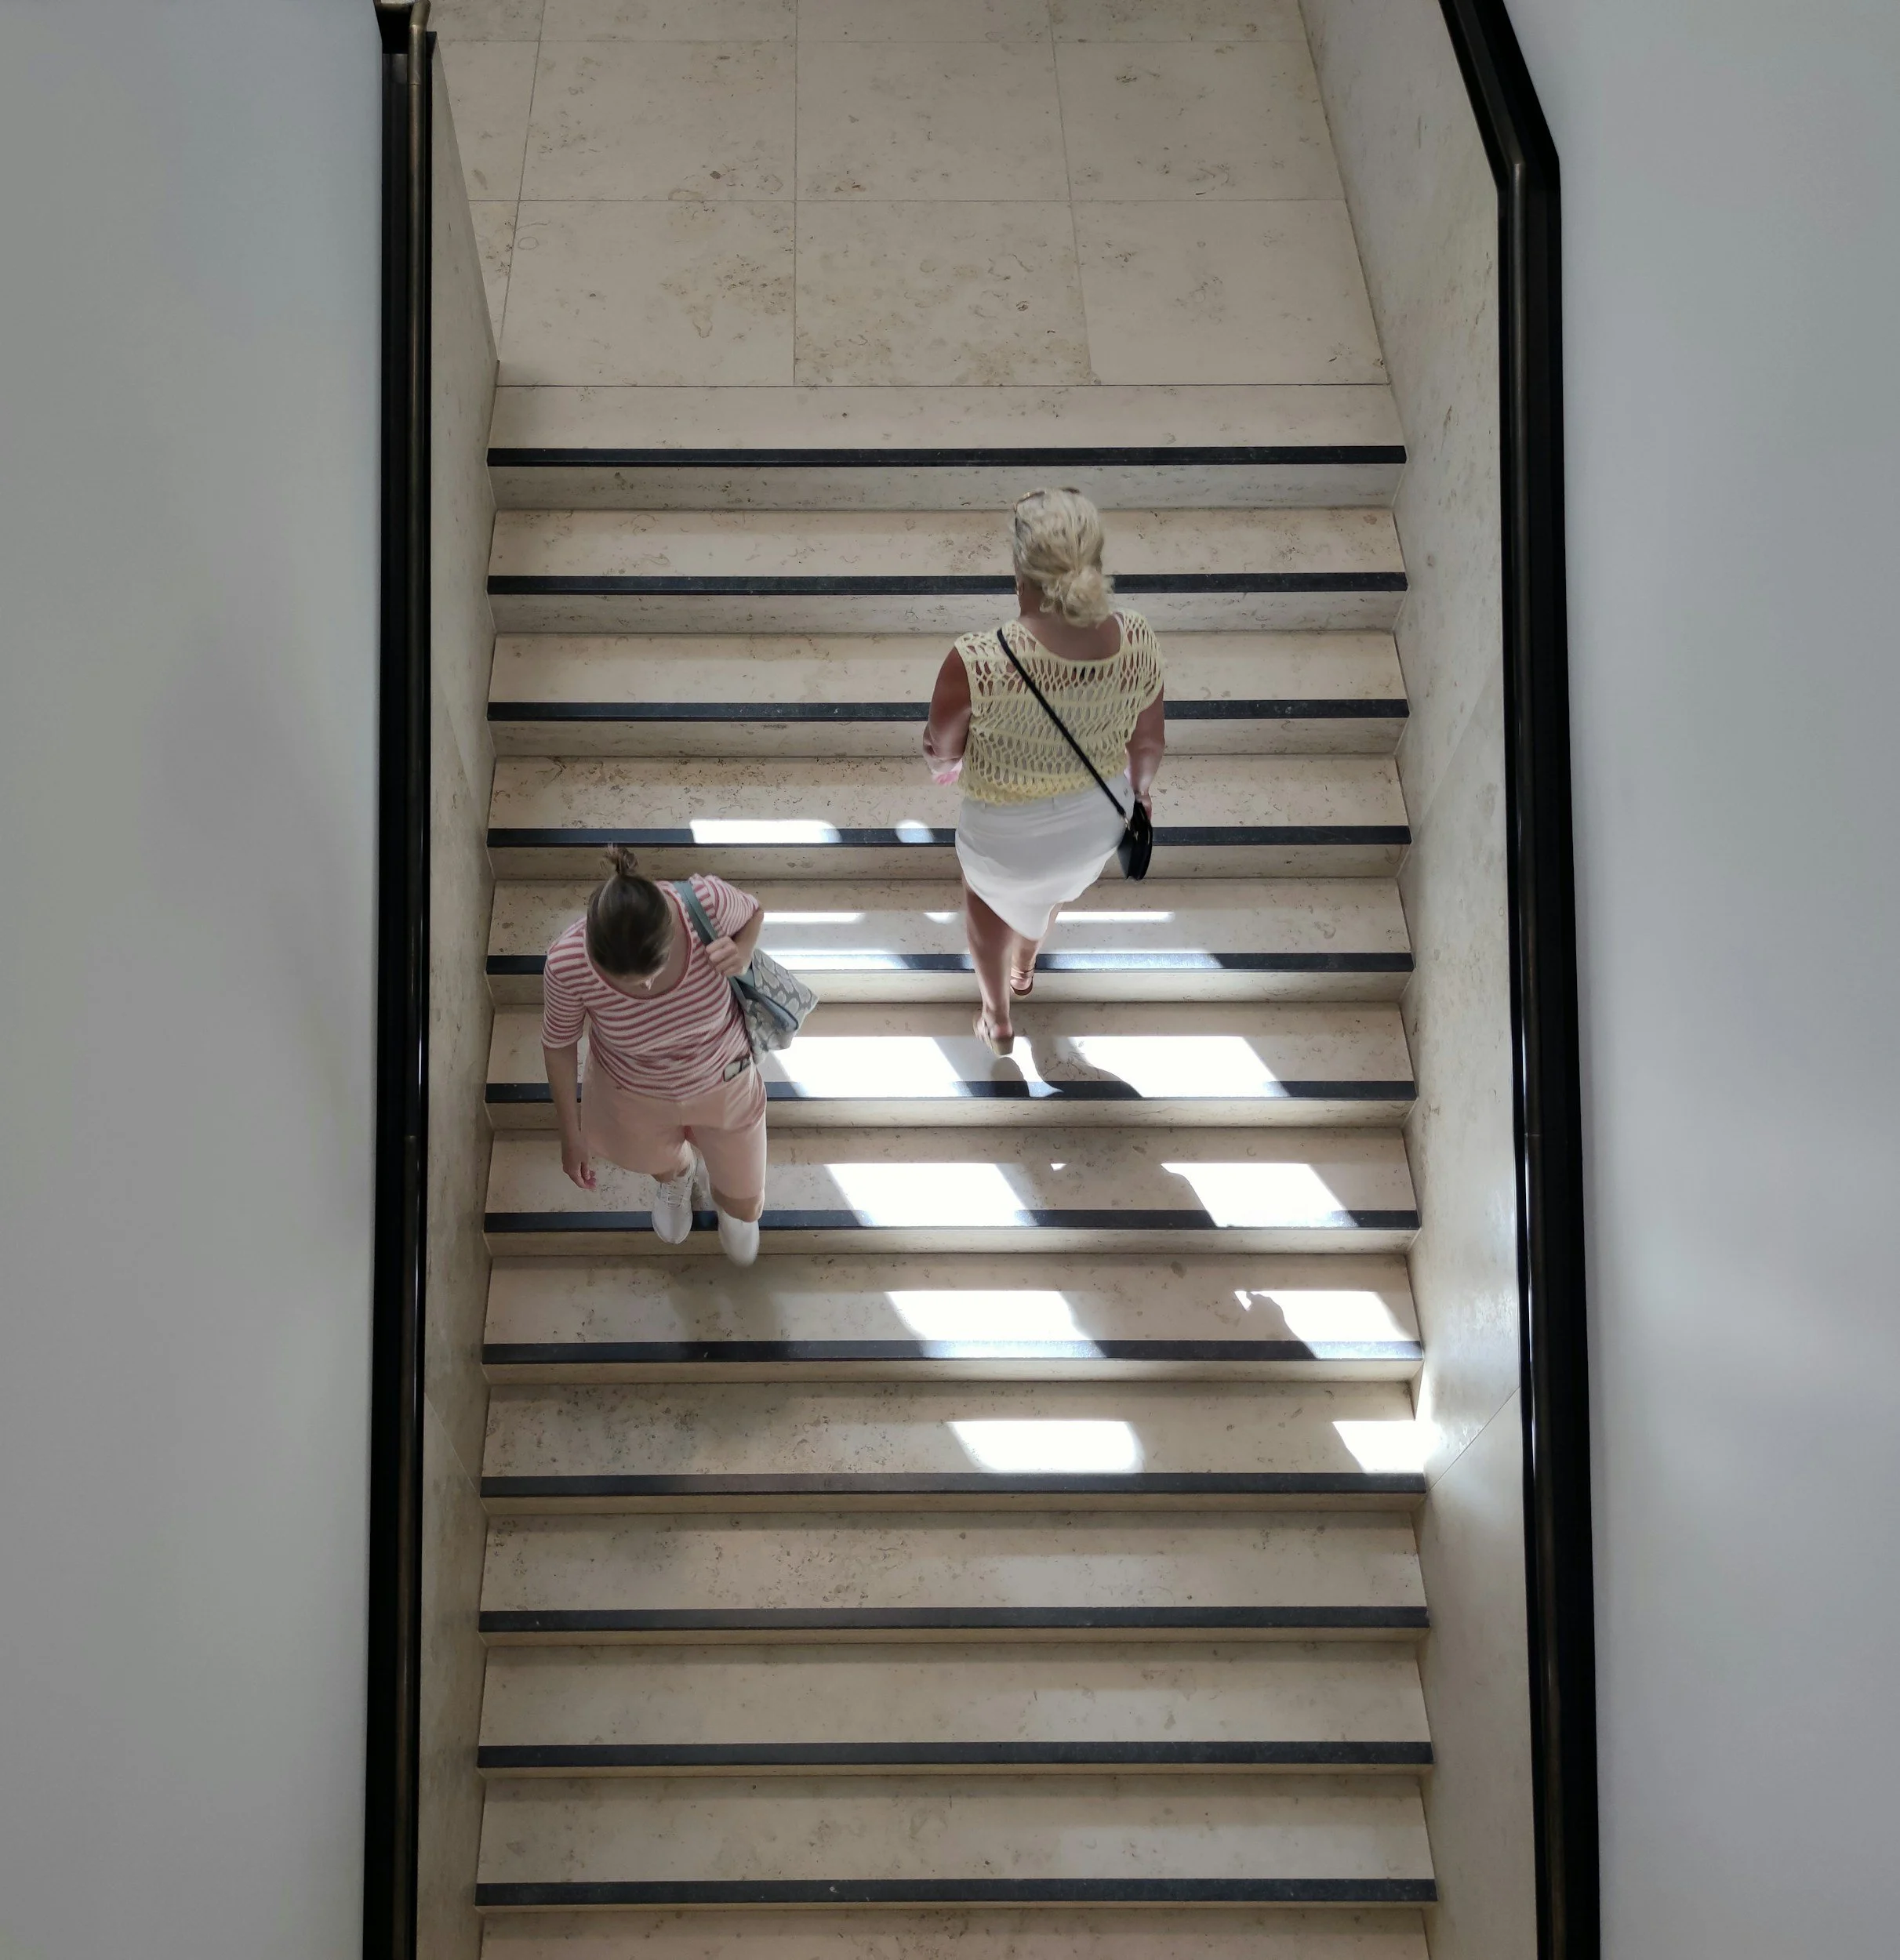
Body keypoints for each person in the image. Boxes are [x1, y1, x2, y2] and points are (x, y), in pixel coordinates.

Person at [922, 487, 1167, 1054]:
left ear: (1018, 573)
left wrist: (943, 760)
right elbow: (1148, 742)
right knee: (1051, 892)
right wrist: (1143, 793)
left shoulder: (977, 659)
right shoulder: (1136, 638)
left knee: (985, 909)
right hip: (1095, 819)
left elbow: (942, 747)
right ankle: (1025, 968)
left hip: (1002, 830)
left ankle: (997, 1017)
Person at [541, 848, 767, 1265]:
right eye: (624, 981)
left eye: (654, 971)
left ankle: (733, 1213)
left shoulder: (707, 905)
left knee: (746, 1197)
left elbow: (753, 912)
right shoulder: (567, 964)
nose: (645, 989)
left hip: (723, 1076)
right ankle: (676, 1178)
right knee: (657, 1158)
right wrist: (570, 1132)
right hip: (632, 1091)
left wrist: (744, 951)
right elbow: (558, 1043)